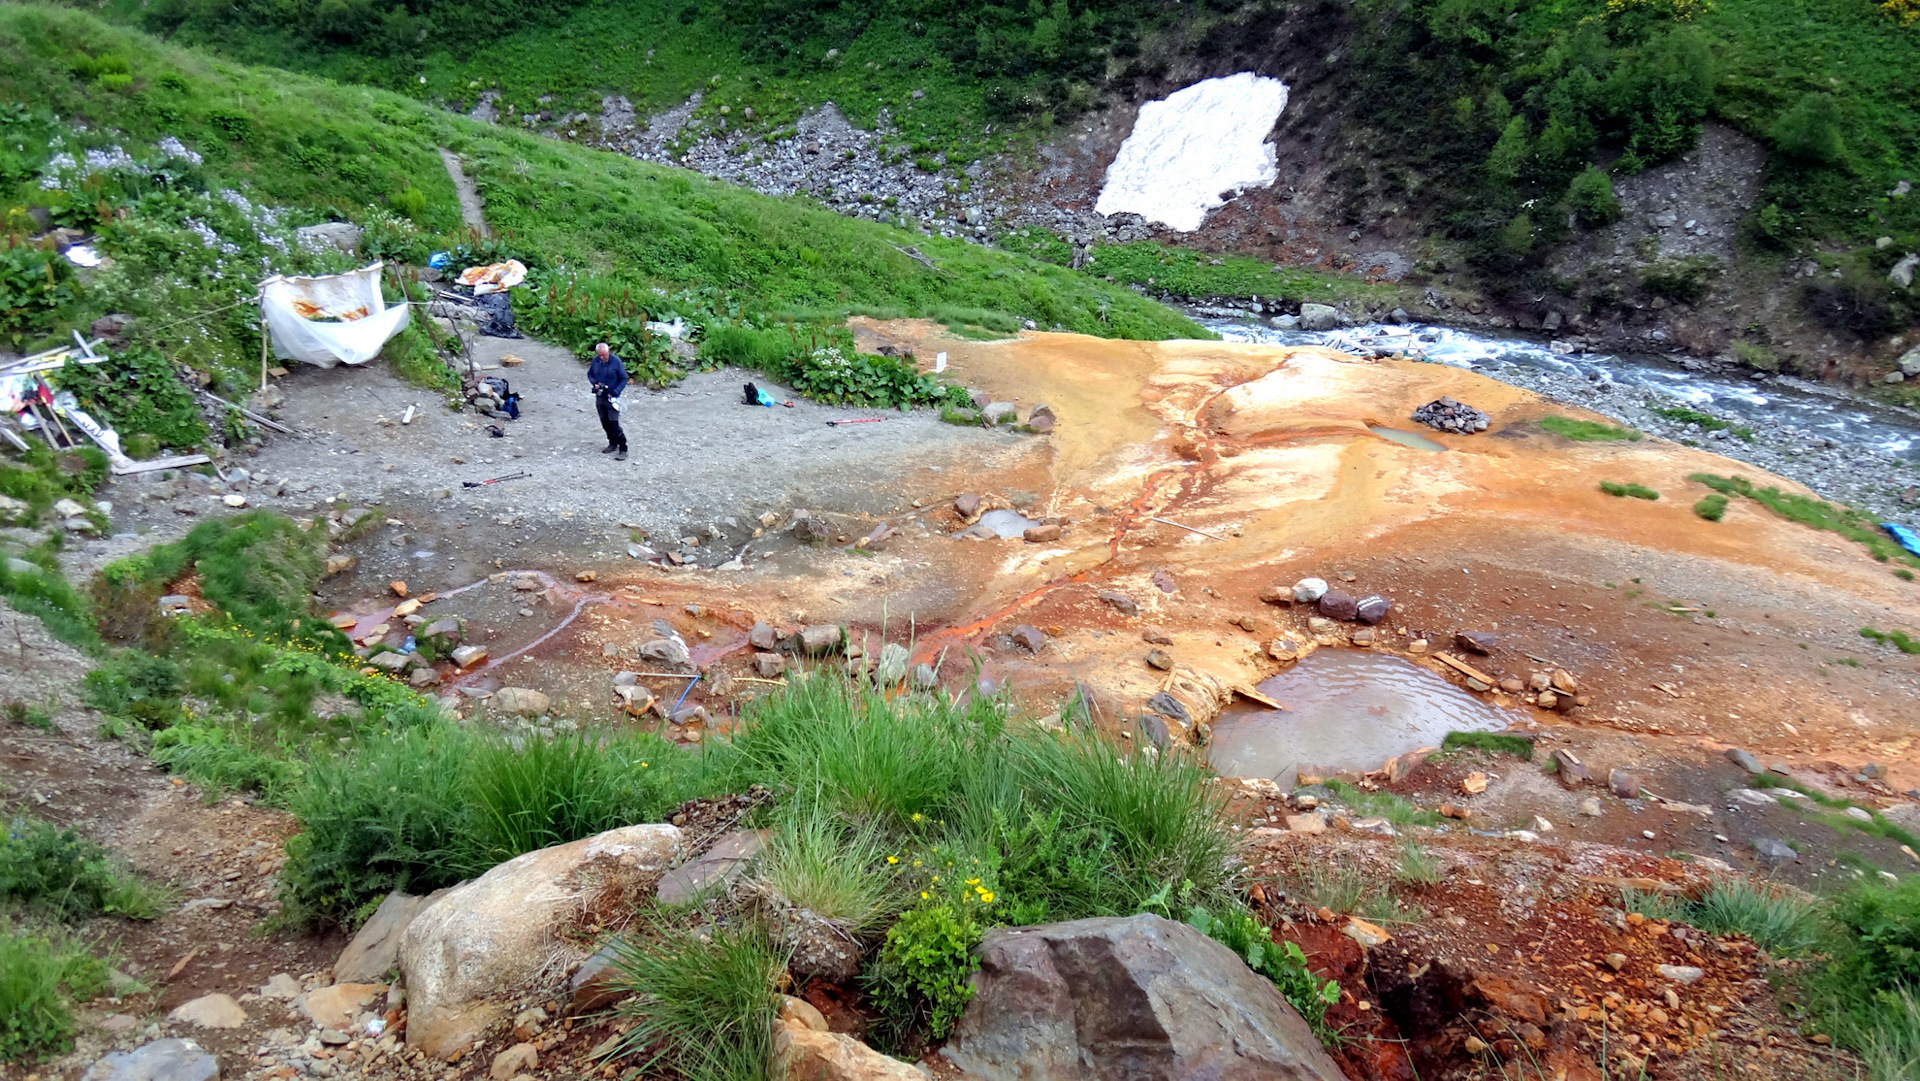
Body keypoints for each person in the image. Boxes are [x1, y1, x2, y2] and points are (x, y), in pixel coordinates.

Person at [586, 342, 628, 460]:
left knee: (614, 423)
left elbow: (624, 378)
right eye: (600, 355)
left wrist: (616, 391)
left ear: (608, 352)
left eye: (604, 355)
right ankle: (612, 443)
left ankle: (623, 447)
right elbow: (590, 374)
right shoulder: (596, 361)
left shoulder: (616, 362)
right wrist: (595, 383)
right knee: (605, 422)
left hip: (612, 398)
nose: (602, 358)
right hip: (600, 397)